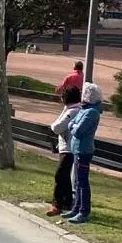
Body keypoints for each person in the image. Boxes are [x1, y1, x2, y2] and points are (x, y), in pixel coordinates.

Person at [63, 82, 103, 224]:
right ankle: (76, 207)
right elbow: (71, 124)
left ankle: (83, 211)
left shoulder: (91, 112)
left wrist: (73, 125)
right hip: (77, 148)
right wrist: (73, 125)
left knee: (82, 182)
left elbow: (78, 131)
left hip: (84, 150)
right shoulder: (83, 110)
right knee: (77, 181)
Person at [47, 85, 81, 216]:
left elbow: (56, 127)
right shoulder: (70, 110)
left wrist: (65, 109)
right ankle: (67, 202)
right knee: (65, 176)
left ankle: (57, 203)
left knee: (60, 175)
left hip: (69, 149)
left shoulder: (72, 112)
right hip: (66, 147)